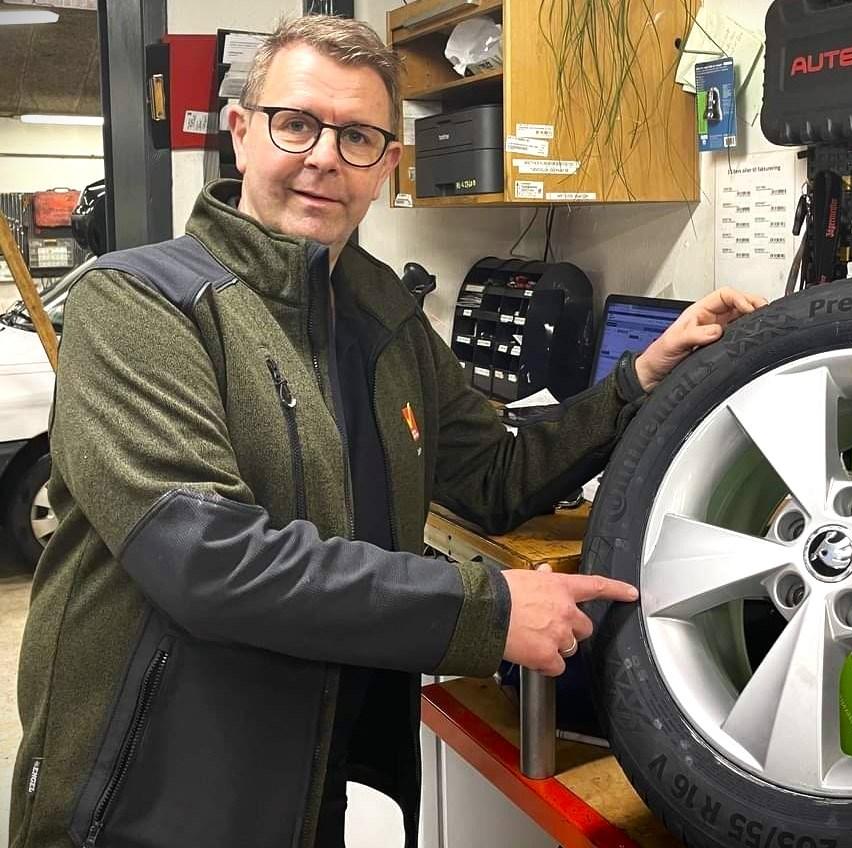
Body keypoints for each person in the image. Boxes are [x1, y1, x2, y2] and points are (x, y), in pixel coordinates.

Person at [9, 14, 766, 848]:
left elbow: (492, 474)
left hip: (311, 773)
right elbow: (204, 557)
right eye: (295, 124)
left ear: (387, 164)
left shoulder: (382, 315)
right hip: (147, 794)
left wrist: (635, 381)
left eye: (357, 137)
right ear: (241, 133)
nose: (324, 157)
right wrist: (483, 612)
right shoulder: (140, 302)